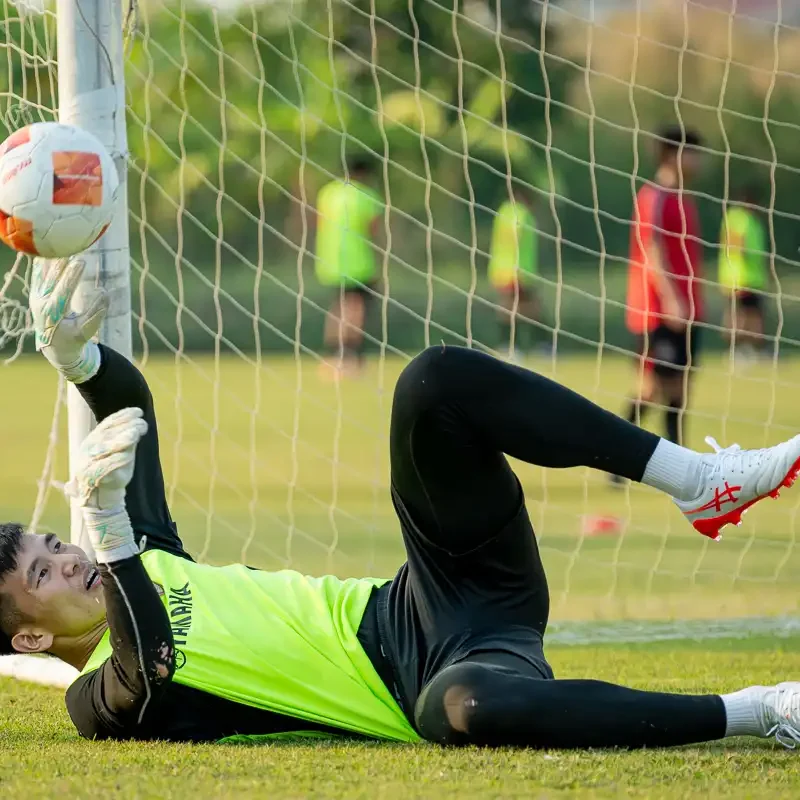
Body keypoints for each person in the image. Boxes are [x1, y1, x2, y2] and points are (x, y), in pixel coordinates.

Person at [2, 256, 800, 749]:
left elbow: (128, 399)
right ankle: (760, 711)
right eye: (42, 574)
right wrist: (108, 533)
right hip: (447, 670)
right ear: (32, 637)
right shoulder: (93, 701)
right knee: (463, 709)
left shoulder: (139, 559)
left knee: (433, 383)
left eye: (53, 543)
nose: (67, 558)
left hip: (435, 591)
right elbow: (152, 669)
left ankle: (697, 481)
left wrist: (79, 358)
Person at [620, 126, 704, 459]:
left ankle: (682, 464)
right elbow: (652, 248)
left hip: (687, 309)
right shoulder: (653, 196)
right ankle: (616, 456)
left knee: (679, 390)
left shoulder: (684, 198)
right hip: (656, 311)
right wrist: (671, 298)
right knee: (651, 389)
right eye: (693, 152)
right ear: (672, 154)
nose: (699, 160)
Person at [314, 156, 383, 378]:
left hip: (330, 260)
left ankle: (332, 355)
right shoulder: (366, 196)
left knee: (338, 306)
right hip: (358, 262)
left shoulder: (327, 192)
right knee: (356, 307)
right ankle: (350, 356)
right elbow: (373, 230)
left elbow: (320, 223)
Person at [488, 186, 540, 360]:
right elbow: (516, 236)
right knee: (521, 308)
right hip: (517, 270)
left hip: (501, 268)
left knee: (513, 307)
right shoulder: (521, 214)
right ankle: (516, 346)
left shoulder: (502, 211)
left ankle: (510, 346)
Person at [718, 185, 768, 363]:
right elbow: (733, 244)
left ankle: (752, 350)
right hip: (738, 277)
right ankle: (735, 351)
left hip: (754, 278)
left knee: (754, 316)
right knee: (738, 316)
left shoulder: (754, 221)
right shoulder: (736, 218)